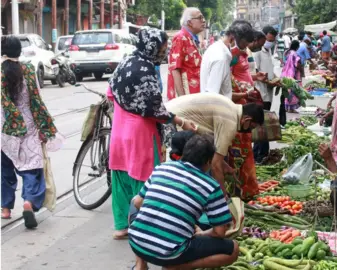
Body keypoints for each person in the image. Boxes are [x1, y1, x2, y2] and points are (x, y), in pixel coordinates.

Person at [107, 28, 197, 239]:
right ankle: (143, 228)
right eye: (162, 48)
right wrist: (181, 121)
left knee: (120, 178)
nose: (163, 52)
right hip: (141, 134)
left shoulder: (125, 62)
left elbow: (110, 93)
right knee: (145, 179)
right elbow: (154, 109)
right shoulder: (146, 69)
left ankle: (121, 227)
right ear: (152, 46)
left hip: (119, 130)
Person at [129, 134, 239, 270]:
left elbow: (138, 203)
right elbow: (220, 232)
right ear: (209, 162)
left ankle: (140, 265)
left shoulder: (162, 168)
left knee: (135, 199)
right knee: (233, 249)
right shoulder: (211, 186)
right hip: (170, 253)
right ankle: (175, 267)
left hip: (136, 242)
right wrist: (200, 234)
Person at [1, 35, 58, 228]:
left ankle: (6, 209)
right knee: (32, 168)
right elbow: (36, 99)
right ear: (20, 50)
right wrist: (45, 125)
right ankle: (29, 202)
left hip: (4, 128)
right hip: (28, 125)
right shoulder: (28, 70)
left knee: (5, 169)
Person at [165, 93, 264, 195]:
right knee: (186, 171)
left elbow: (216, 155)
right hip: (172, 121)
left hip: (170, 113)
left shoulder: (231, 108)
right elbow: (215, 165)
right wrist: (223, 195)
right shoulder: (231, 122)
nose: (250, 130)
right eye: (251, 127)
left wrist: (225, 165)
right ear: (247, 120)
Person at [228, 25, 263, 199]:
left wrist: (255, 80)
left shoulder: (243, 54)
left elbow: (244, 76)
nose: (250, 45)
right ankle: (240, 189)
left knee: (245, 147)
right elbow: (229, 79)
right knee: (238, 149)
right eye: (248, 41)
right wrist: (243, 91)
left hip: (245, 101)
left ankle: (248, 188)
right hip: (237, 104)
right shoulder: (231, 55)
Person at [200, 20, 254, 99]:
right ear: (232, 39)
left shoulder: (217, 48)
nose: (244, 50)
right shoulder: (221, 58)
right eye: (242, 46)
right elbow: (212, 96)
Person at [253, 26, 279, 164]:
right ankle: (258, 155)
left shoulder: (268, 51)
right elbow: (256, 72)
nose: (270, 41)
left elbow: (270, 69)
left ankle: (262, 153)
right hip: (260, 92)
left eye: (273, 39)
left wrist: (276, 79)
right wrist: (269, 81)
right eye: (269, 39)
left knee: (264, 123)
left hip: (267, 93)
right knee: (261, 125)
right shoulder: (257, 52)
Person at [167, 8, 205, 100]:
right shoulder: (180, 37)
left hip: (194, 96)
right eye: (200, 18)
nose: (203, 20)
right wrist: (182, 100)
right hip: (186, 99)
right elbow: (175, 69)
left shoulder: (192, 38)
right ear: (190, 22)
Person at [281, 40, 302, 113]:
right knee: (294, 90)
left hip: (285, 73)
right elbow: (297, 64)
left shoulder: (286, 52)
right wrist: (301, 70)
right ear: (297, 47)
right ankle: (291, 108)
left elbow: (283, 62)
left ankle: (287, 107)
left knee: (288, 90)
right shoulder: (295, 54)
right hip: (293, 73)